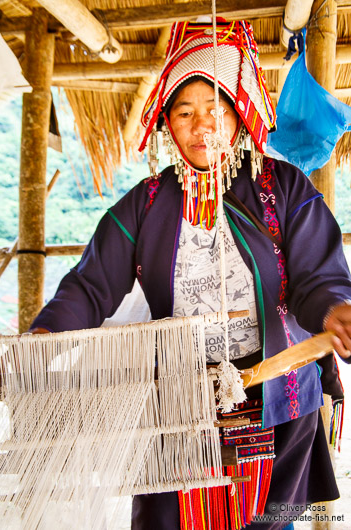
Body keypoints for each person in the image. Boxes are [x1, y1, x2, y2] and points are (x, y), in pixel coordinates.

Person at [30, 19, 351, 530]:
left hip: (279, 401)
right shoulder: (147, 202)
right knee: (169, 521)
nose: (203, 125)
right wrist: (43, 339)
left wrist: (335, 312)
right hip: (178, 407)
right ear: (168, 123)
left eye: (217, 109)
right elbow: (91, 287)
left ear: (240, 114)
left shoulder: (282, 189)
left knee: (272, 520)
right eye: (185, 112)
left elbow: (317, 276)